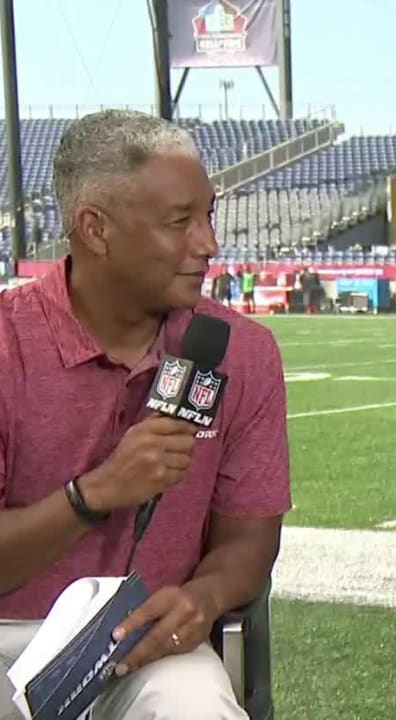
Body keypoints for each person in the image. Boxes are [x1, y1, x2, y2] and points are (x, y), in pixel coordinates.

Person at [0, 109, 291, 720]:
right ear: (95, 229)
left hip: (149, 641)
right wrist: (94, 494)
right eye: (179, 222)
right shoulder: (6, 344)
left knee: (196, 705)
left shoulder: (243, 351)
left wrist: (202, 598)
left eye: (208, 216)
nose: (208, 244)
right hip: (7, 635)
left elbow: (250, 539)